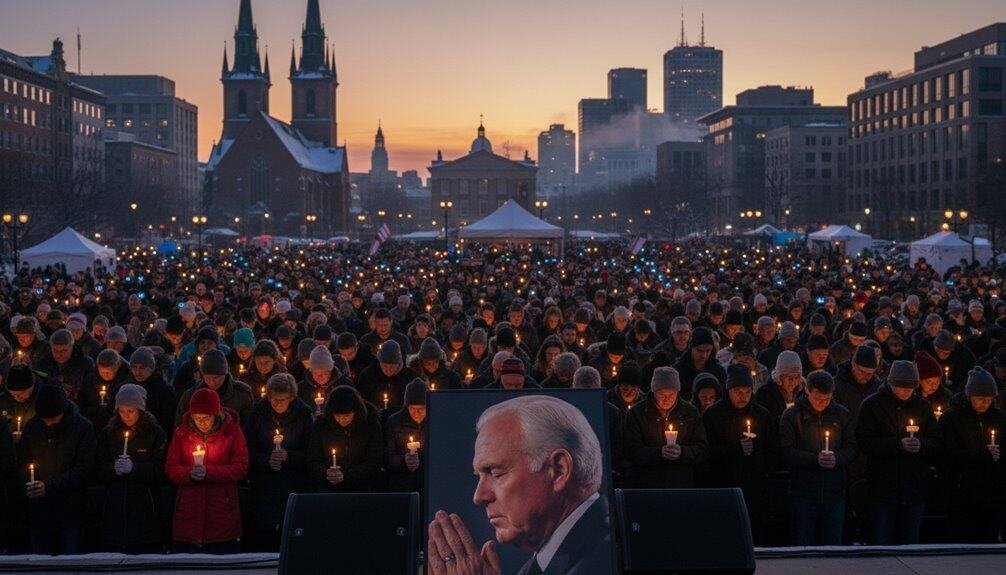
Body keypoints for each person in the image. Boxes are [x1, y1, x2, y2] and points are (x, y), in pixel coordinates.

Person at [427, 395, 612, 575]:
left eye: (495, 472)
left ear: (559, 470)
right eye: (480, 476)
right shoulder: (551, 559)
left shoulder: (599, 559)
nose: (479, 496)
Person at [856, 360, 942, 545]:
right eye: (901, 387)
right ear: (891, 383)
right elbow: (864, 442)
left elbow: (937, 442)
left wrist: (921, 445)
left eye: (910, 387)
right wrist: (897, 444)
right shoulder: (872, 405)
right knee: (882, 542)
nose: (906, 392)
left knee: (910, 542)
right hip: (883, 487)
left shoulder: (923, 406)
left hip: (914, 487)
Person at [165, 387, 249, 553]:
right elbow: (171, 468)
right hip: (189, 516)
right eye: (197, 418)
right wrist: (189, 474)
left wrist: (209, 472)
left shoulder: (231, 432)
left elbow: (241, 467)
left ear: (215, 414)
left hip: (221, 515)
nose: (201, 422)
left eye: (206, 417)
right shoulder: (181, 434)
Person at [702, 364, 778, 545]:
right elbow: (705, 451)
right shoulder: (713, 415)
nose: (742, 396)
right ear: (728, 390)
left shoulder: (762, 415)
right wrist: (735, 449)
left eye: (747, 391)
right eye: (737, 391)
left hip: (755, 488)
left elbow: (772, 448)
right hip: (723, 486)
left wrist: (766, 472)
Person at [779, 370, 857, 546]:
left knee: (832, 546)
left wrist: (837, 458)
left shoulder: (842, 415)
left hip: (834, 492)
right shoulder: (792, 416)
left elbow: (852, 447)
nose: (822, 403)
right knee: (803, 545)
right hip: (804, 493)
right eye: (817, 399)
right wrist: (814, 459)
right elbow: (786, 450)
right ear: (807, 391)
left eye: (826, 399)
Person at [17, 384, 96, 554]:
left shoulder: (82, 428)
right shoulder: (32, 427)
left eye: (53, 418)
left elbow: (84, 467)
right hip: (39, 512)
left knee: (70, 561)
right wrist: (30, 483)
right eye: (45, 419)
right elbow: (23, 461)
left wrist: (50, 486)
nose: (49, 423)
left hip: (70, 511)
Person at [242, 373, 313, 551]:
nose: (278, 404)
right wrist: (267, 460)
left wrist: (288, 456)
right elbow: (246, 450)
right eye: (274, 399)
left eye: (283, 400)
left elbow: (312, 453)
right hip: (264, 484)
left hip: (294, 482)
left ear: (292, 397)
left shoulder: (304, 415)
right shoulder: (258, 413)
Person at [95, 384, 167, 552]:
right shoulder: (108, 433)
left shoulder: (155, 433)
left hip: (145, 508)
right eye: (122, 411)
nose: (126, 416)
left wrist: (135, 469)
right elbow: (98, 468)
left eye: (131, 411)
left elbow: (161, 470)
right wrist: (114, 469)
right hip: (114, 507)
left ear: (140, 410)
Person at [938, 366, 1006, 543]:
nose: (985, 403)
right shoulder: (951, 418)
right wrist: (982, 454)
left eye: (989, 399)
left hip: (993, 493)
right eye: (980, 398)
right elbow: (947, 455)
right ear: (969, 396)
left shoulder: (999, 418)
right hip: (962, 492)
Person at [623, 366, 708, 488]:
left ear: (678, 392)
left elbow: (701, 448)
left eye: (671, 394)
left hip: (682, 482)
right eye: (662, 394)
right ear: (653, 391)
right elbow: (631, 449)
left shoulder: (690, 413)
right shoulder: (637, 413)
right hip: (648, 483)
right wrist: (658, 453)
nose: (667, 399)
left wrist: (682, 452)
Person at [306, 385, 383, 493]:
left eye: (347, 415)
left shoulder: (370, 424)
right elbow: (313, 459)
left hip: (362, 488)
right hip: (327, 489)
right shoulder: (322, 425)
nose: (342, 420)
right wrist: (326, 473)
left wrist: (347, 476)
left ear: (356, 411)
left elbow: (374, 460)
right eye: (337, 415)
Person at [175, 349, 255, 428]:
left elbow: (249, 427)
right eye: (207, 378)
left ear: (225, 373)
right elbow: (180, 427)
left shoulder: (242, 394)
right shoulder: (191, 395)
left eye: (216, 377)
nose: (212, 382)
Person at [385, 379, 428, 495]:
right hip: (402, 484)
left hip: (429, 481)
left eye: (421, 409)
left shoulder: (435, 420)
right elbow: (388, 457)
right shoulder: (394, 422)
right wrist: (404, 461)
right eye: (413, 409)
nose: (417, 413)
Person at [126, 347, 178, 440]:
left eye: (142, 367)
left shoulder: (164, 390)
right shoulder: (126, 388)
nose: (138, 372)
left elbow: (168, 420)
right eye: (135, 367)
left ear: (151, 368)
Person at [755, 350, 804, 424]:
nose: (793, 381)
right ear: (780, 377)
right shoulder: (765, 395)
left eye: (796, 377)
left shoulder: (802, 394)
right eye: (789, 377)